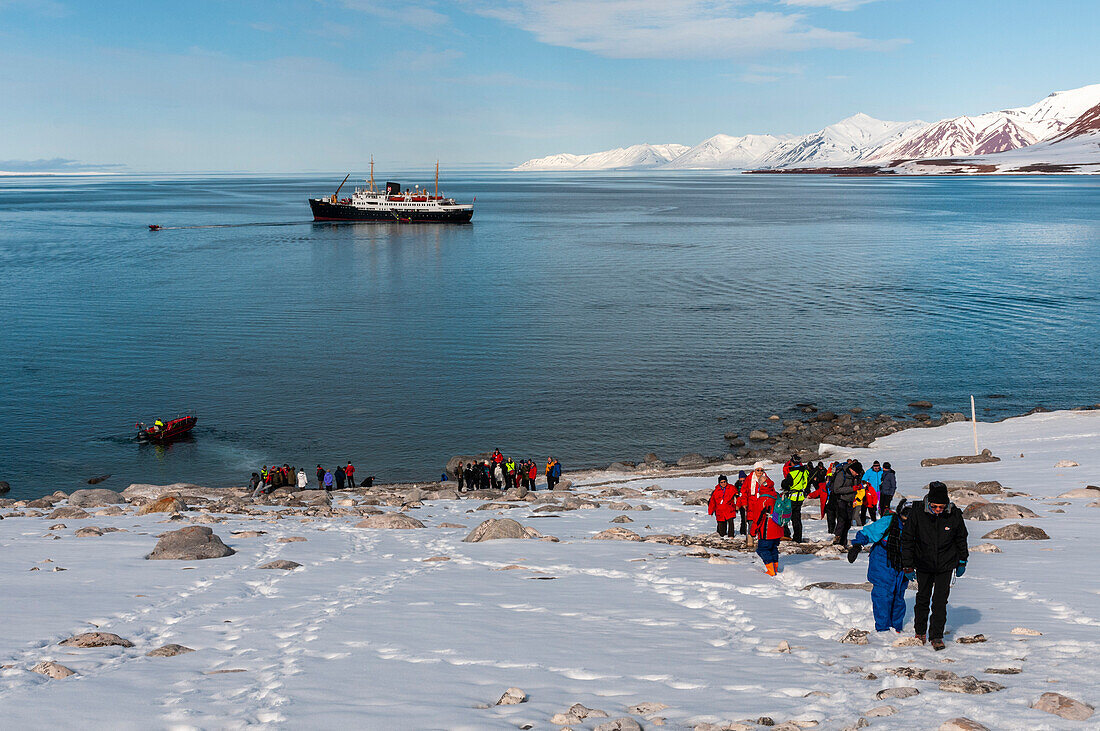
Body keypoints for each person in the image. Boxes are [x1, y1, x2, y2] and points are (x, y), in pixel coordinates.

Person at [902, 481, 968, 650]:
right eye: (935, 506)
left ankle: (936, 635)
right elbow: (908, 539)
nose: (938, 510)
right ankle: (920, 632)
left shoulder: (953, 514)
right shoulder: (917, 513)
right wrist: (908, 565)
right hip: (923, 562)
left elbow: (961, 538)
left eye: (941, 506)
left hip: (945, 564)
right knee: (923, 598)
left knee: (940, 601)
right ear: (928, 503)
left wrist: (962, 560)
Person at [848, 499, 911, 633]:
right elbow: (868, 532)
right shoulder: (889, 522)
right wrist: (857, 545)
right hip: (883, 562)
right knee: (883, 595)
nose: (905, 522)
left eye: (909, 519)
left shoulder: (916, 527)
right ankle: (883, 629)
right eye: (904, 517)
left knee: (898, 595)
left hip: (902, 564)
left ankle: (896, 627)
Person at [750, 470, 784, 576]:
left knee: (762, 549)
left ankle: (771, 570)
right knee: (773, 548)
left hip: (767, 529)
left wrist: (752, 531)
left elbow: (758, 518)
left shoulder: (763, 499)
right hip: (777, 527)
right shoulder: (776, 495)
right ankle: (775, 567)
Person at [740, 463, 774, 551]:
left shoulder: (766, 479)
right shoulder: (749, 479)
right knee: (751, 522)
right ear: (754, 470)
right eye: (758, 470)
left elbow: (771, 489)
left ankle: (761, 540)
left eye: (761, 470)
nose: (759, 472)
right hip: (751, 504)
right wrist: (744, 503)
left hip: (762, 504)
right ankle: (750, 540)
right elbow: (744, 492)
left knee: (762, 522)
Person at [829, 461, 861, 546]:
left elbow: (854, 487)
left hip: (850, 501)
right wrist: (852, 488)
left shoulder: (854, 477)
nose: (857, 474)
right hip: (840, 500)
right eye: (856, 472)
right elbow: (837, 489)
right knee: (842, 520)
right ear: (852, 470)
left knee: (848, 522)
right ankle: (837, 539)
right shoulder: (841, 475)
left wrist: (858, 487)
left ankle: (843, 542)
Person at [783, 455, 810, 542]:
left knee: (785, 516)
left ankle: (786, 534)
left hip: (792, 497)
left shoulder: (792, 474)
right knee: (797, 518)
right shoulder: (805, 472)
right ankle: (798, 537)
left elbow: (785, 484)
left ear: (792, 462)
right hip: (800, 497)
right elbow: (807, 484)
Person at [735, 469, 749, 535]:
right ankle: (743, 532)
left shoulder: (749, 483)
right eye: (741, 480)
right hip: (740, 503)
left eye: (744, 480)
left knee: (750, 518)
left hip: (748, 502)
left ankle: (751, 531)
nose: (742, 482)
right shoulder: (737, 484)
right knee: (743, 518)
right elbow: (737, 495)